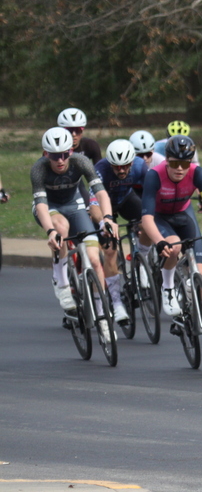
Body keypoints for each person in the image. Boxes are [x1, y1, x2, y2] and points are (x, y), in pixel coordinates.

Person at [140, 135, 202, 349]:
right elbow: (146, 218)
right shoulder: (155, 175)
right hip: (161, 218)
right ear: (167, 160)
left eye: (185, 163)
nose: (180, 168)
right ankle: (168, 287)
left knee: (201, 273)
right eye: (175, 163)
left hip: (183, 215)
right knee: (174, 247)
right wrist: (160, 242)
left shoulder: (197, 173)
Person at [31, 127, 119, 341]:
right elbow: (41, 205)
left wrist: (107, 218)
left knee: (94, 260)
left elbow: (100, 192)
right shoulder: (39, 170)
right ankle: (61, 283)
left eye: (64, 154)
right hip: (49, 208)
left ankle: (101, 315)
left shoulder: (81, 161)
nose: (60, 160)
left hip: (74, 205)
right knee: (60, 228)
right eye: (54, 155)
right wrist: (50, 231)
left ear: (71, 151)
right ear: (46, 154)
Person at [93, 139, 153, 323]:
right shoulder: (100, 170)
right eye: (116, 167)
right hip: (104, 206)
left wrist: (149, 216)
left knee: (148, 225)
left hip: (126, 199)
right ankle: (117, 303)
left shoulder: (140, 167)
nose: (120, 170)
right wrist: (105, 223)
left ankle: (141, 262)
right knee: (110, 250)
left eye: (125, 166)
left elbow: (151, 192)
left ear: (132, 163)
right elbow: (94, 204)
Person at [58, 108, 103, 223]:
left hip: (80, 183)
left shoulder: (90, 145)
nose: (73, 134)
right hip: (60, 185)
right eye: (69, 130)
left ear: (82, 130)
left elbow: (99, 174)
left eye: (77, 130)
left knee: (95, 214)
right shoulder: (55, 148)